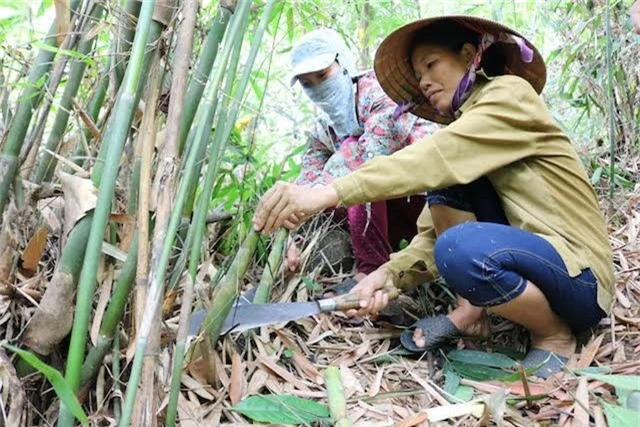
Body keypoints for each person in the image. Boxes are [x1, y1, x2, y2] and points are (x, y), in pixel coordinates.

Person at [252, 16, 614, 378]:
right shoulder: (464, 134)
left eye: (431, 64)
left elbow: (432, 158)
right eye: (418, 72)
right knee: (448, 204)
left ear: (470, 55)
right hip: (541, 266)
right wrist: (387, 276)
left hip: (581, 278)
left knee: (457, 246)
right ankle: (473, 313)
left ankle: (553, 336)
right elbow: (432, 232)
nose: (424, 80)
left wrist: (326, 194)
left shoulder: (509, 96)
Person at [285, 28, 438, 291]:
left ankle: (370, 273)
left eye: (323, 76)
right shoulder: (323, 129)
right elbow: (306, 180)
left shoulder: (378, 93)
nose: (318, 87)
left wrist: (304, 203)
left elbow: (371, 158)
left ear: (343, 64)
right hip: (390, 218)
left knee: (354, 153)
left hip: (433, 208)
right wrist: (292, 233)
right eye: (308, 84)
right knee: (340, 167)